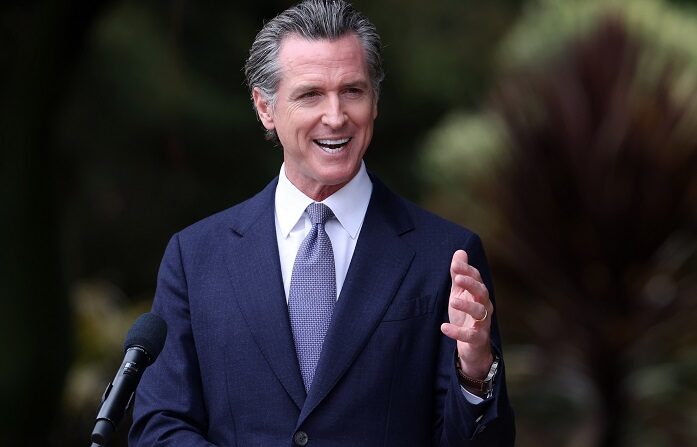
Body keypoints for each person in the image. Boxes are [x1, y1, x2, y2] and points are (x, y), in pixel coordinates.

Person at [129, 0, 515, 445]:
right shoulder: (195, 257)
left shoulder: (446, 256)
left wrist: (475, 371)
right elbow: (159, 427)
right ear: (265, 108)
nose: (336, 116)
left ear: (375, 100)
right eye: (311, 94)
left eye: (353, 90)